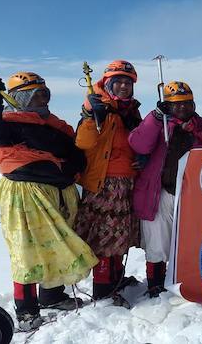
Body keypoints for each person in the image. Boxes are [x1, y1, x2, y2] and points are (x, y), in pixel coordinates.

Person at [0, 72, 95, 330]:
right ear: (19, 97)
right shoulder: (8, 122)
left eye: (44, 93)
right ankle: (27, 311)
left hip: (57, 192)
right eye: (34, 94)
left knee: (55, 246)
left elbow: (74, 149)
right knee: (27, 251)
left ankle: (52, 295)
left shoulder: (52, 123)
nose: (42, 98)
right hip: (26, 195)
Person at [128, 81, 202, 297]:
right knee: (157, 240)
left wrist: (199, 148)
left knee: (191, 240)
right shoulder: (159, 124)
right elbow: (138, 144)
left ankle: (188, 280)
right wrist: (155, 118)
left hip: (192, 195)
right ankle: (155, 284)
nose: (182, 108)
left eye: (186, 103)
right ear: (168, 105)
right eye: (176, 104)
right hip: (159, 191)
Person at [74, 59, 143, 304]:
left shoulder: (130, 110)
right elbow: (83, 143)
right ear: (108, 83)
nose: (124, 86)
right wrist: (89, 116)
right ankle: (103, 290)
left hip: (125, 181)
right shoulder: (99, 107)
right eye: (119, 82)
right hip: (105, 184)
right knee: (105, 237)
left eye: (128, 82)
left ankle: (115, 279)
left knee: (118, 235)